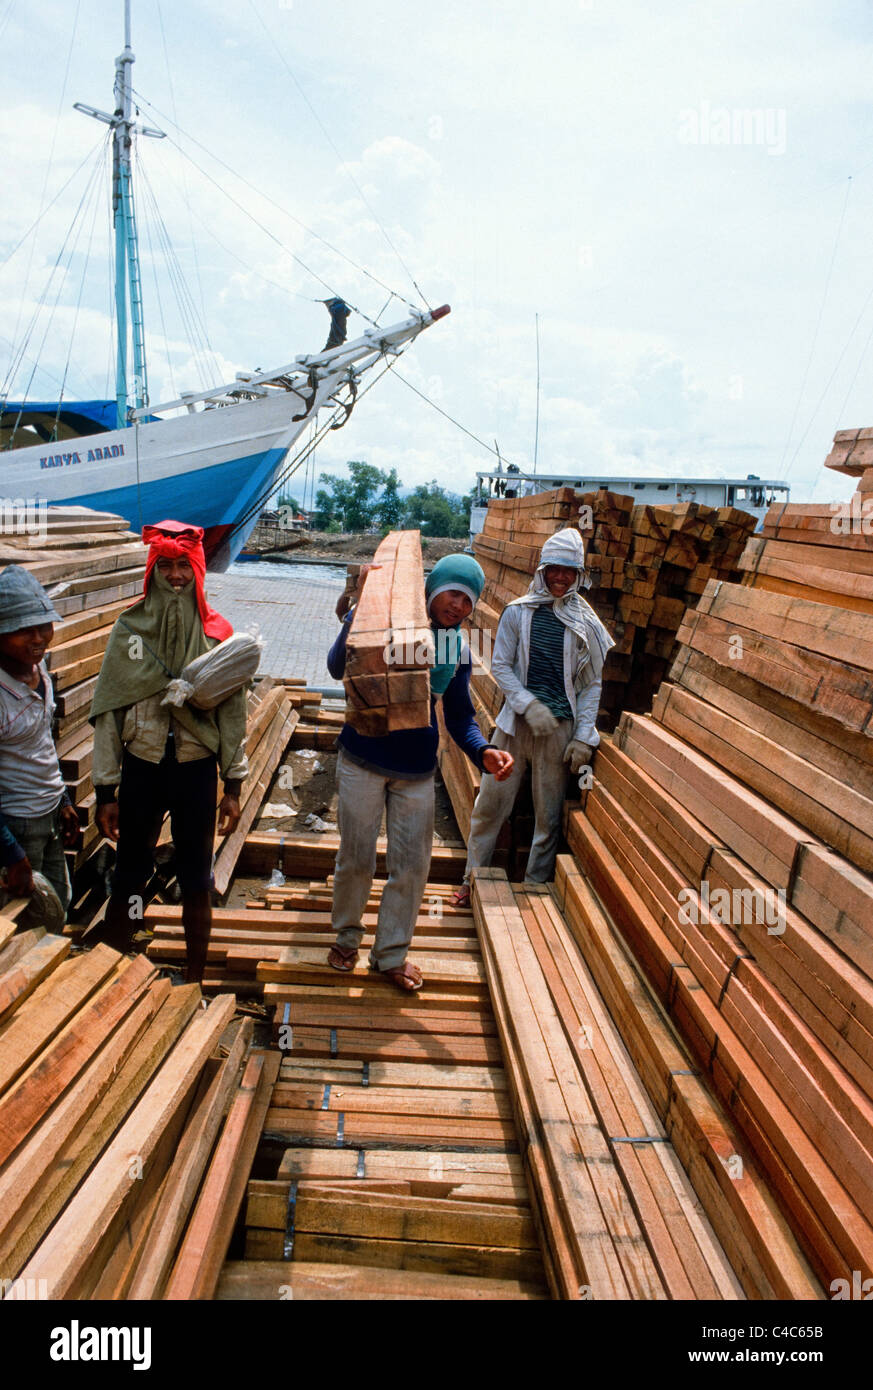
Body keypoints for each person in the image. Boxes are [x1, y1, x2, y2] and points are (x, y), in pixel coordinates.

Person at [326, 552, 513, 992]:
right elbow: (337, 667)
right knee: (356, 858)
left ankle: (390, 954)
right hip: (362, 758)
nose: (458, 607)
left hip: (415, 770)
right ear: (432, 590)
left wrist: (482, 751)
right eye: (452, 594)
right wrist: (359, 605)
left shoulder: (457, 650)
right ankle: (347, 937)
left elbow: (461, 715)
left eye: (468, 602)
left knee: (411, 867)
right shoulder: (386, 622)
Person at [90, 521, 248, 983]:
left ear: (198, 571)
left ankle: (194, 977)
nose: (176, 576)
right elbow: (108, 712)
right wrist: (105, 791)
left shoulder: (219, 635)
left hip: (196, 771)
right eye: (167, 566)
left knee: (197, 876)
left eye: (184, 566)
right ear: (153, 570)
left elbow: (233, 718)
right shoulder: (128, 630)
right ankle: (114, 969)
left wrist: (233, 787)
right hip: (142, 767)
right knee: (130, 871)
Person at [456, 527, 614, 903]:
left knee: (548, 816)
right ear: (541, 570)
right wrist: (529, 705)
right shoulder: (518, 612)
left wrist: (582, 736)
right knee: (491, 805)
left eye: (569, 571)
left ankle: (535, 888)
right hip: (514, 728)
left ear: (579, 575)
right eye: (554, 570)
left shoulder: (587, 625)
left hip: (557, 731)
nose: (560, 578)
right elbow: (502, 666)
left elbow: (592, 684)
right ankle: (470, 880)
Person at [0, 566, 80, 914]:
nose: (38, 638)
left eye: (44, 627)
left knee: (58, 904)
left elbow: (43, 742)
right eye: (24, 631)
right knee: (20, 925)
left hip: (47, 814)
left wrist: (61, 799)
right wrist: (11, 854)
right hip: (15, 823)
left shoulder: (39, 669)